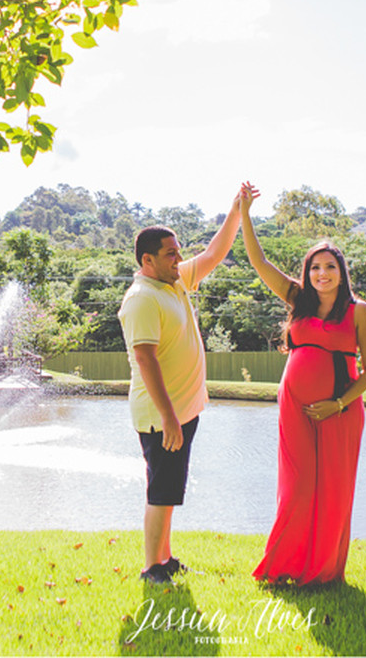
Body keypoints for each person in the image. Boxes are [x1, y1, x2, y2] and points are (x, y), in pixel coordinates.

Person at [239, 183, 366, 585]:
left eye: (329, 267)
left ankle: (324, 571)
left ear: (342, 272)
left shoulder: (358, 312)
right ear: (308, 272)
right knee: (298, 487)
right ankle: (284, 566)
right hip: (295, 408)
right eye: (315, 267)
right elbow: (258, 260)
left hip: (340, 410)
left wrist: (337, 403)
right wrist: (245, 215)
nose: (322, 274)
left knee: (332, 493)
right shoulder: (296, 298)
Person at [118, 191, 243, 583]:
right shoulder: (142, 298)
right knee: (161, 490)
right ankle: (151, 566)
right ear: (147, 260)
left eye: (177, 252)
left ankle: (166, 557)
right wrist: (169, 418)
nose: (178, 258)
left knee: (170, 489)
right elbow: (145, 359)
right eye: (170, 253)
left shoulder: (174, 282)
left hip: (182, 411)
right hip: (161, 415)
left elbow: (213, 254)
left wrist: (237, 211)